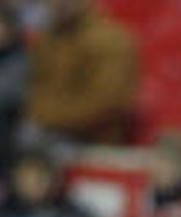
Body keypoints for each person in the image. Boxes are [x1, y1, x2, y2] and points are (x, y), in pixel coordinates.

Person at [23, 0, 137, 146]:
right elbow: (33, 88)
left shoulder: (111, 40)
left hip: (93, 140)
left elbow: (108, 103)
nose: (59, 3)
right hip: (46, 132)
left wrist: (47, 116)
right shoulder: (46, 38)